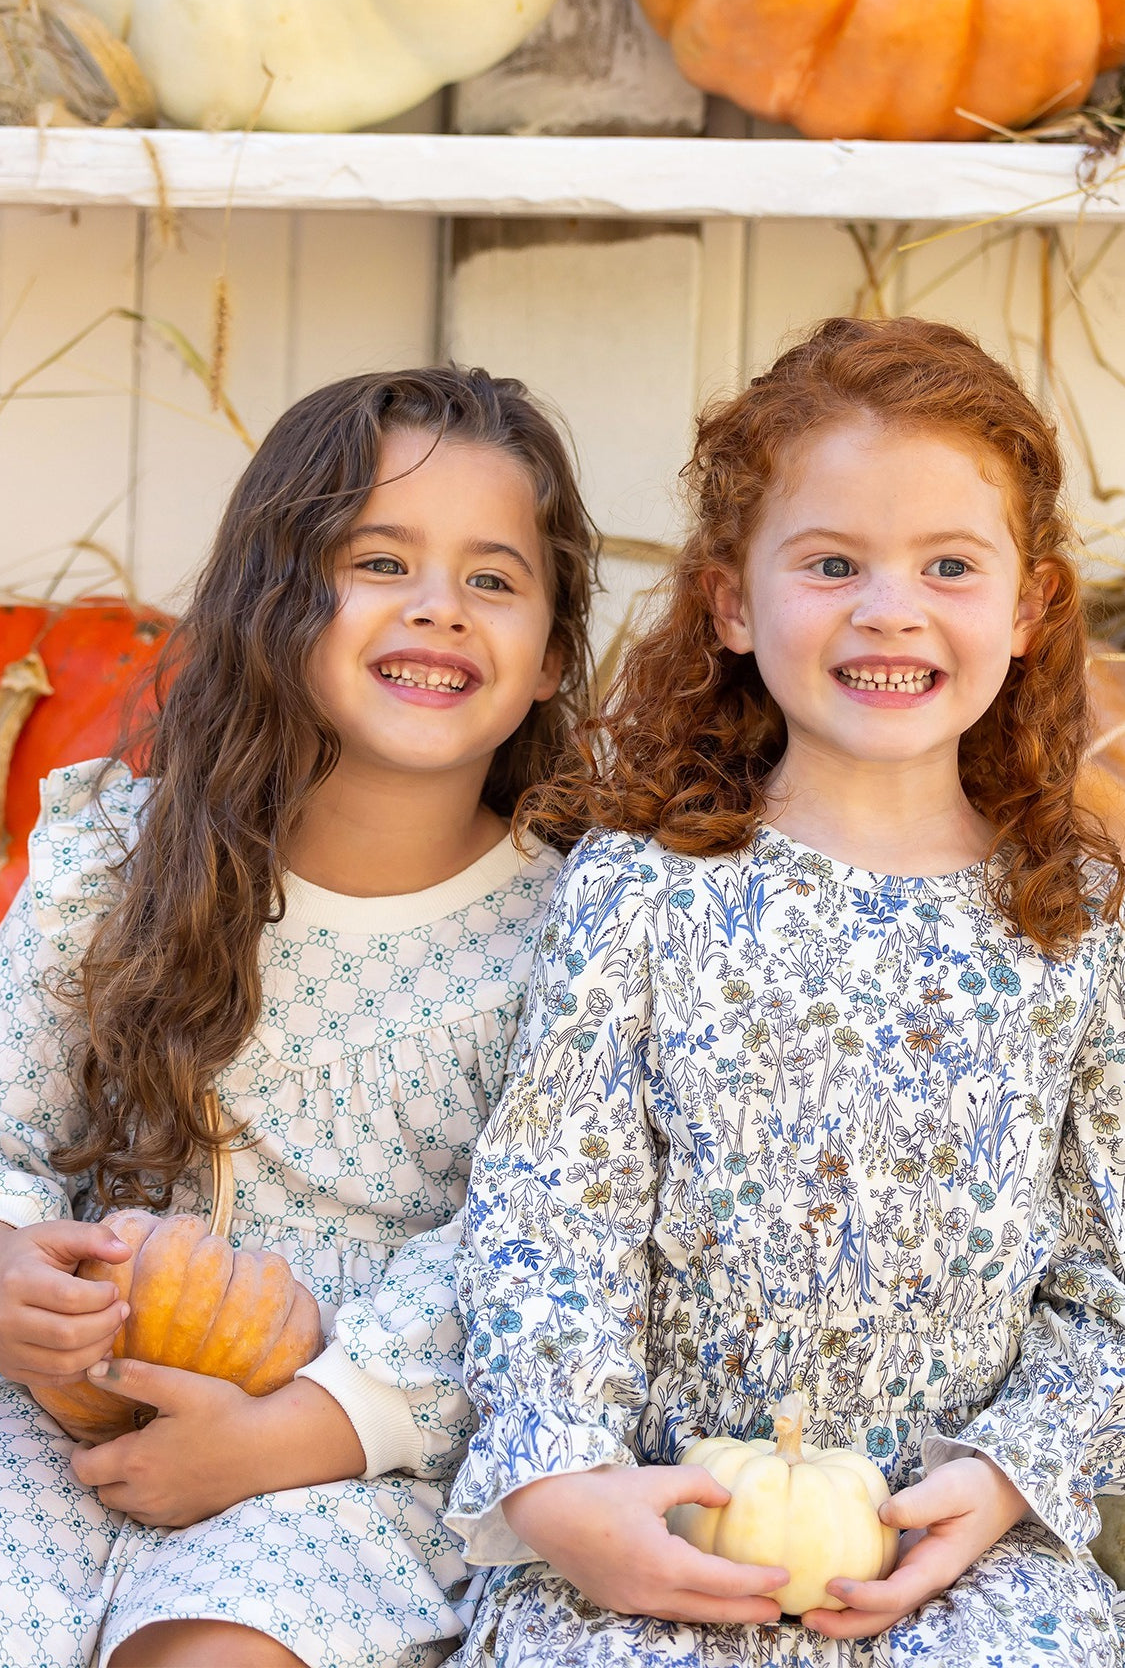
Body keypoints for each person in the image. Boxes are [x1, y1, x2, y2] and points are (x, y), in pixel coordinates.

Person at [447, 316, 1125, 1667]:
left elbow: (1106, 1276)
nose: (890, 608)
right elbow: (548, 1227)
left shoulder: (1074, 921)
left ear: (1028, 605)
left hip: (952, 1564)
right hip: (662, 1532)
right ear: (731, 604)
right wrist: (567, 1491)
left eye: (948, 564)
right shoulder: (643, 894)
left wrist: (999, 1482)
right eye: (830, 564)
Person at [0, 364, 597, 1668]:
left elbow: (520, 1258)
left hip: (352, 1450)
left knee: (215, 1654)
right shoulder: (116, 853)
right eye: (379, 559)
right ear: (276, 599)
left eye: (493, 580)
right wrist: (7, 1265)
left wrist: (299, 1431)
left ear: (551, 654)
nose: (439, 607)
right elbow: (8, 1112)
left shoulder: (574, 941)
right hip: (53, 1393)